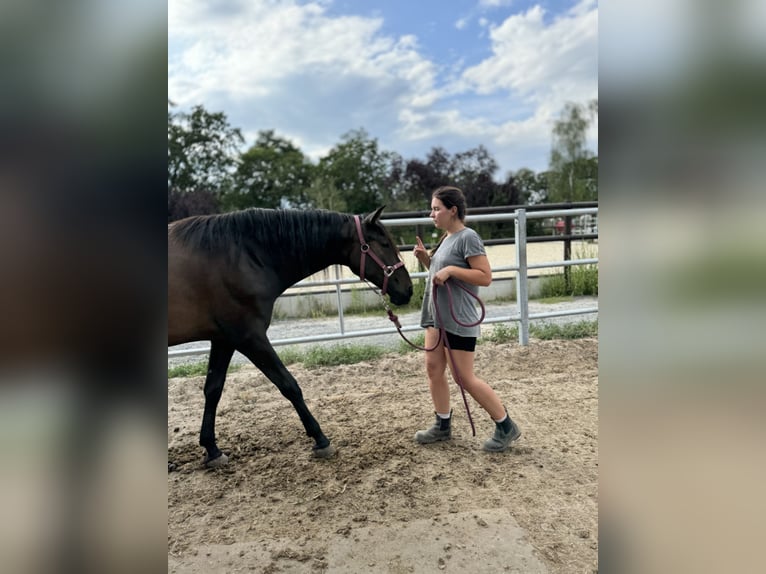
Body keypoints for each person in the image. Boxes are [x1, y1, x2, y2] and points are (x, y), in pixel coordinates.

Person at [412, 186, 521, 452]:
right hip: (437, 317)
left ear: (453, 210)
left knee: (464, 378)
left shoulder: (468, 237)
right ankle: (442, 424)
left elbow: (484, 276)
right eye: (432, 209)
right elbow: (444, 275)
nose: (432, 214)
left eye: (437, 209)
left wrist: (449, 269)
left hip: (458, 319)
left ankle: (506, 426)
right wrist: (429, 260)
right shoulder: (445, 238)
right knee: (433, 369)